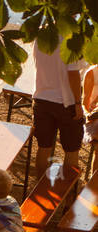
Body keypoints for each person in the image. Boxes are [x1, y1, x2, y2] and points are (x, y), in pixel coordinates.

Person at [31, 42, 85, 174]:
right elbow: (73, 74)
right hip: (66, 102)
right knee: (72, 150)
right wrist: (78, 103)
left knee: (44, 147)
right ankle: (68, 186)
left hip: (41, 98)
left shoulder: (40, 36)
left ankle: (40, 182)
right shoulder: (69, 39)